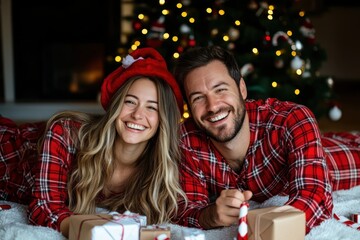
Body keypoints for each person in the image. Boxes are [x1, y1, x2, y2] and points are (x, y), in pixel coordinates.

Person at [0, 47, 187, 237]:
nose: (138, 115)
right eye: (130, 102)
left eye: (152, 108)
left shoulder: (160, 167)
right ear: (116, 106)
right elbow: (45, 207)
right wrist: (89, 231)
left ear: (163, 120)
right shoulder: (66, 132)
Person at [172, 45, 360, 233]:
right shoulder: (187, 140)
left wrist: (270, 232)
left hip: (342, 158)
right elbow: (184, 210)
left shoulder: (291, 119)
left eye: (220, 90)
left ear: (242, 89)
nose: (212, 106)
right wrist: (210, 215)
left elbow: (314, 198)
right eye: (198, 98)